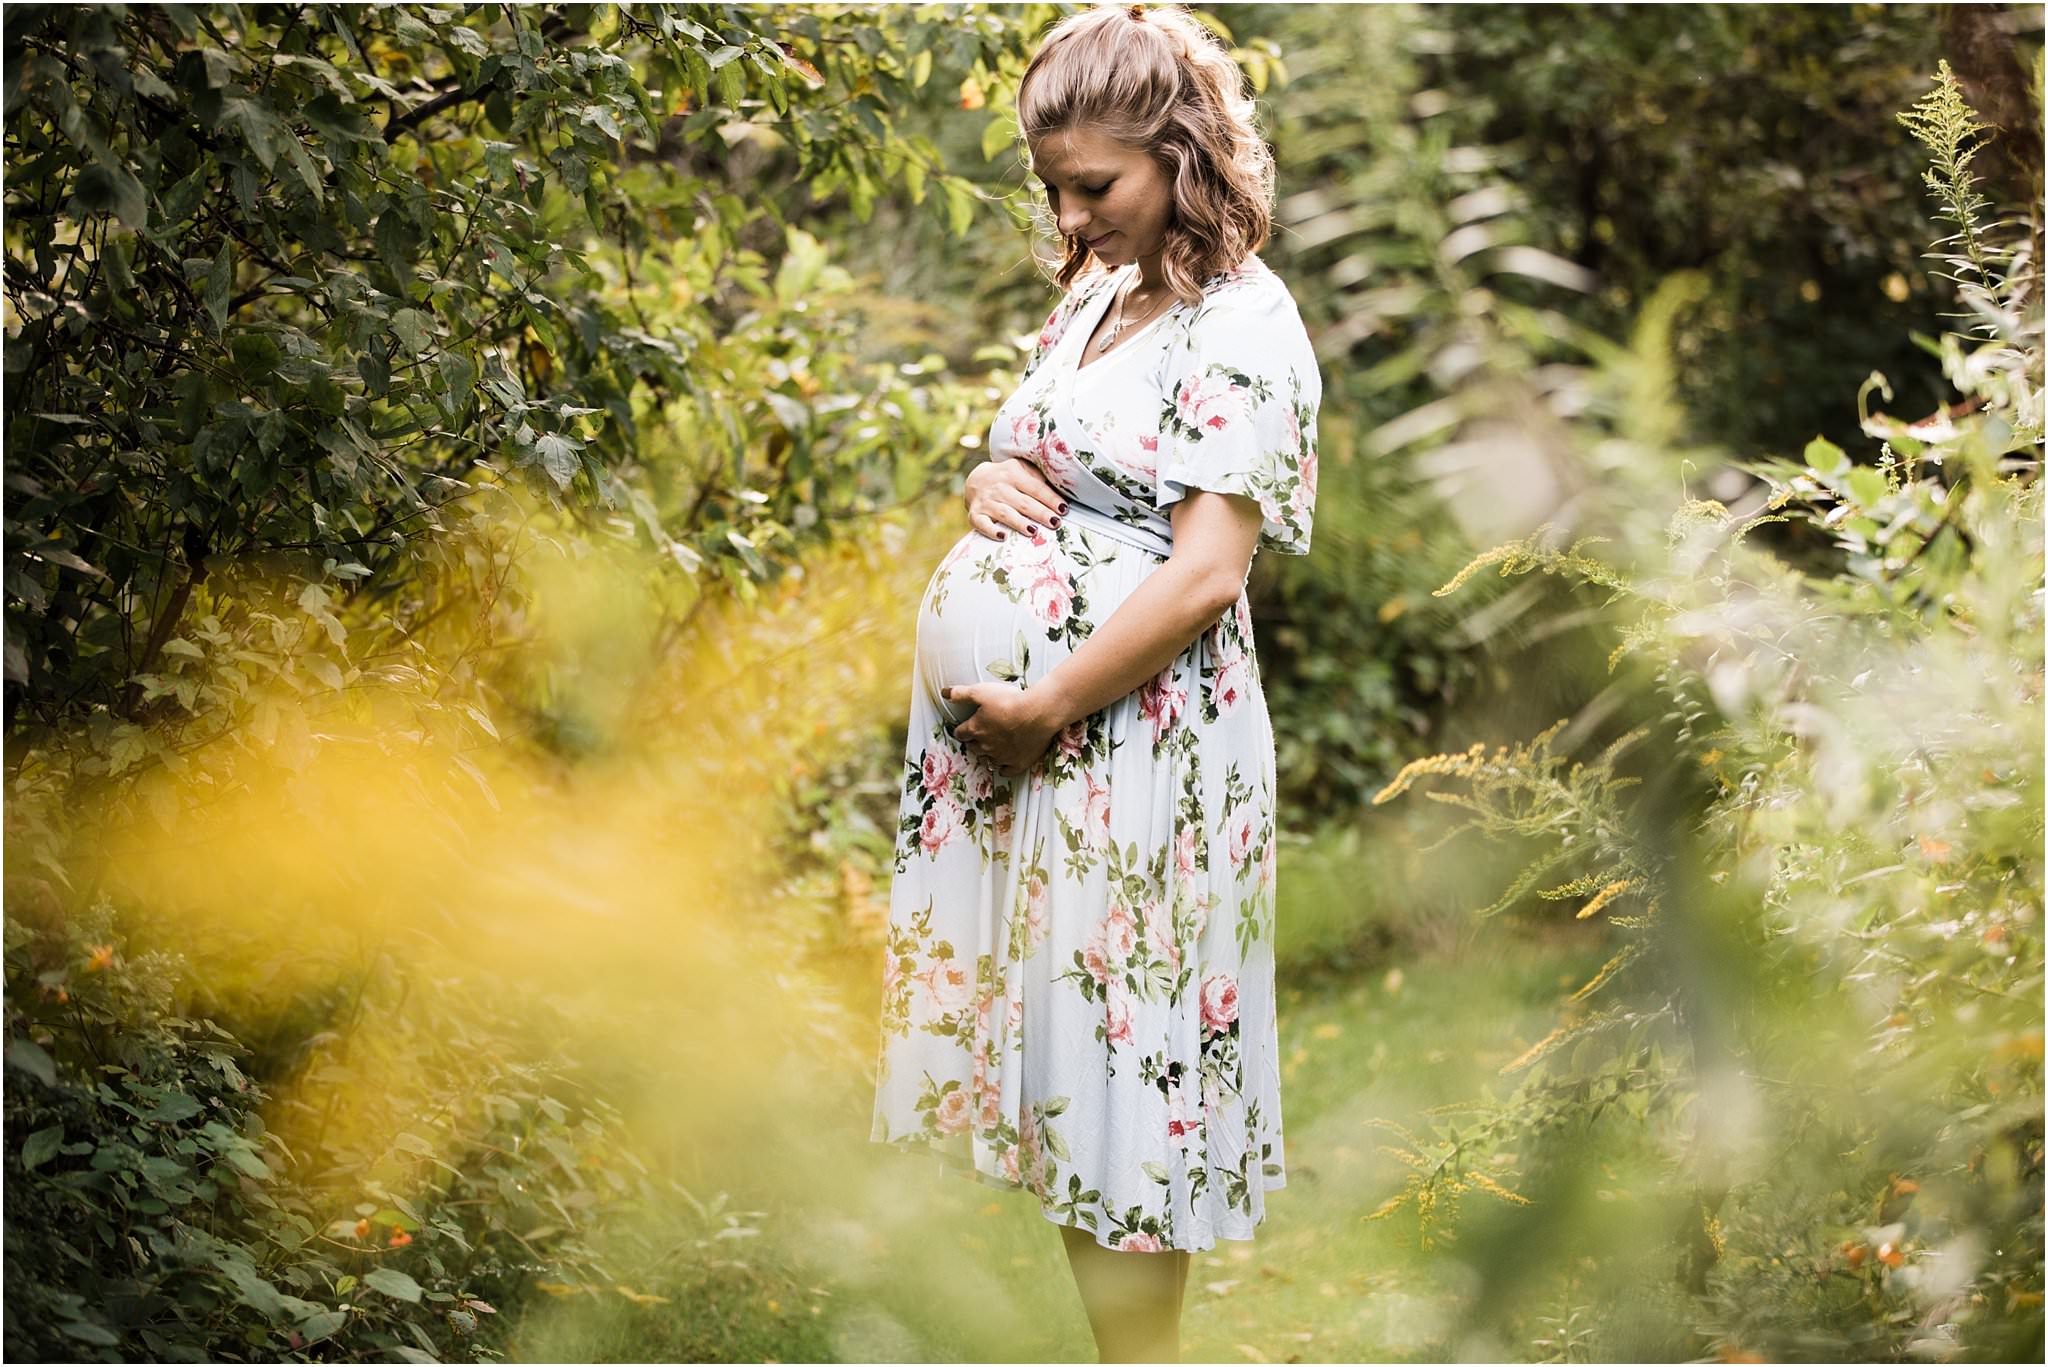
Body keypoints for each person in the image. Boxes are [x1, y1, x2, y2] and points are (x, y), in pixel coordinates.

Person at [869, 4, 1321, 1360]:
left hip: (1138, 743)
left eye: (1095, 187)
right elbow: (1054, 466)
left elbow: (1203, 575)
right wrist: (987, 474)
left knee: (1135, 1076)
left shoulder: (1241, 325)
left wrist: (1048, 704)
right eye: (1051, 187)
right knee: (1075, 1066)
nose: (1068, 218)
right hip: (1053, 742)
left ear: (1183, 155)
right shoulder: (1103, 299)